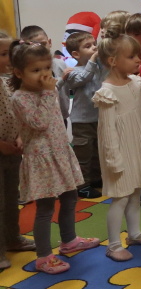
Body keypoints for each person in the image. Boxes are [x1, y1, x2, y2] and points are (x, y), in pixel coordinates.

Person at [10, 40, 100, 274]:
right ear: (19, 73)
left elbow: (61, 112)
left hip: (59, 151)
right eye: (35, 70)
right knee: (45, 208)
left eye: (46, 68)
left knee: (70, 198)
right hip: (41, 158)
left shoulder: (47, 91)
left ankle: (69, 240)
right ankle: (43, 256)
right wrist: (50, 92)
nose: (44, 74)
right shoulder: (19, 97)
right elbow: (39, 123)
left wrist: (53, 90)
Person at [92, 30, 141, 261]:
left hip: (137, 148)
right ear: (113, 61)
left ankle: (135, 234)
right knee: (121, 197)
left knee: (135, 193)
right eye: (132, 56)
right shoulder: (107, 92)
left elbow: (139, 120)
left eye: (137, 55)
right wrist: (113, 159)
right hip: (119, 152)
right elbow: (107, 131)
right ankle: (113, 245)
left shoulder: (135, 83)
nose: (138, 60)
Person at [0, 31, 35, 270]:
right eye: (4, 54)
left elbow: (16, 114)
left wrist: (20, 136)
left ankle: (13, 238)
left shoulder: (6, 82)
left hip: (11, 150)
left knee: (11, 198)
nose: (9, 59)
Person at [62, 32, 105, 199]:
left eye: (94, 44)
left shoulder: (98, 67)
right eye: (88, 46)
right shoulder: (72, 71)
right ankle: (82, 185)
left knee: (97, 152)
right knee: (83, 154)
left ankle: (95, 178)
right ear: (76, 54)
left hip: (98, 118)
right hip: (82, 121)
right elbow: (83, 78)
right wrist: (93, 60)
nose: (94, 48)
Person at [19, 26, 69, 126]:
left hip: (61, 115)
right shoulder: (28, 70)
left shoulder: (60, 63)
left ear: (49, 42)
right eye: (35, 45)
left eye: (43, 44)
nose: (40, 48)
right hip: (44, 116)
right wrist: (61, 79)